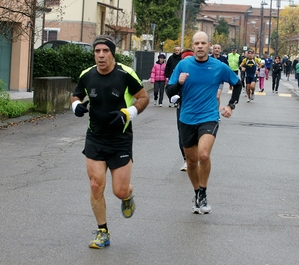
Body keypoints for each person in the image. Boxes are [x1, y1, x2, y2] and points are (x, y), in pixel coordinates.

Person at [70, 35, 149, 248]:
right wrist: (75, 105)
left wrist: (128, 112)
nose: (101, 55)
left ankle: (128, 196)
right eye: (97, 51)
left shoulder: (125, 74)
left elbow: (143, 97)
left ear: (112, 53)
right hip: (95, 137)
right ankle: (102, 231)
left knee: (119, 191)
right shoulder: (87, 75)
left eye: (105, 51)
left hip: (120, 140)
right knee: (96, 185)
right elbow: (76, 95)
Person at [165, 31, 242, 214]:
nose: (200, 46)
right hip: (186, 117)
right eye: (197, 43)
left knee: (204, 155)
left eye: (203, 43)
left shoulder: (218, 66)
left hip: (208, 116)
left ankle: (204, 192)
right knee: (191, 162)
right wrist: (180, 84)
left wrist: (231, 106)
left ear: (209, 46)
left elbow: (237, 83)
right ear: (192, 46)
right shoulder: (183, 65)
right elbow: (169, 91)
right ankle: (197, 192)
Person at [211, 44, 229, 110]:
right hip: (210, 81)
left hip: (220, 81)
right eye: (215, 48)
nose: (217, 49)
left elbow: (227, 69)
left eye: (218, 48)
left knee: (217, 96)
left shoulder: (223, 59)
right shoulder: (210, 58)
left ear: (220, 50)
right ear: (213, 50)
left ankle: (216, 112)